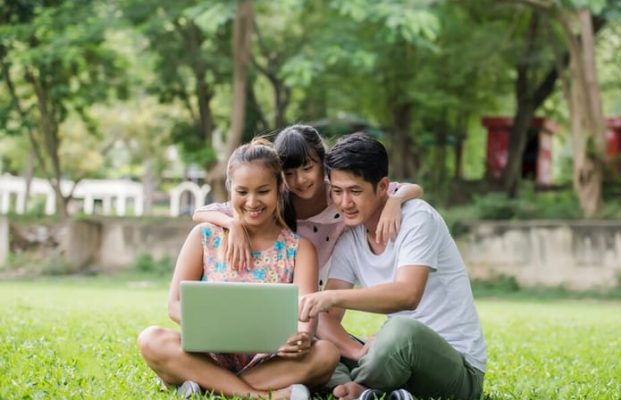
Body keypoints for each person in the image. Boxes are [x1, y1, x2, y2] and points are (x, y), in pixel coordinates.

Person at [137, 139, 340, 399]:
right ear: (230, 189)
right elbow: (174, 305)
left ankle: (204, 386)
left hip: (270, 361)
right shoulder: (204, 236)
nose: (252, 202)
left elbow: (305, 316)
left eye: (263, 191)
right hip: (209, 355)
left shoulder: (299, 249)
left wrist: (301, 338)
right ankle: (261, 396)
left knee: (326, 354)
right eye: (242, 192)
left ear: (280, 187)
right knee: (151, 339)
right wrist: (214, 327)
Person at [298, 133, 488, 400]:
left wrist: (329, 297)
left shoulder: (418, 218)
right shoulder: (350, 239)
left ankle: (357, 387)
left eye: (355, 191)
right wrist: (355, 350)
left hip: (456, 369)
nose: (344, 203)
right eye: (337, 192)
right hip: (390, 357)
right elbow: (327, 317)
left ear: (383, 186)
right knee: (314, 341)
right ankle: (373, 390)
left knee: (400, 332)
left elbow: (407, 295)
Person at [193, 124, 423, 287]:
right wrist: (233, 223)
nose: (299, 180)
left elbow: (411, 188)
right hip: (292, 286)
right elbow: (200, 212)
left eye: (307, 168)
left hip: (328, 282)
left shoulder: (339, 195)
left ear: (323, 162)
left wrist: (395, 200)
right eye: (289, 173)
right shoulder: (277, 202)